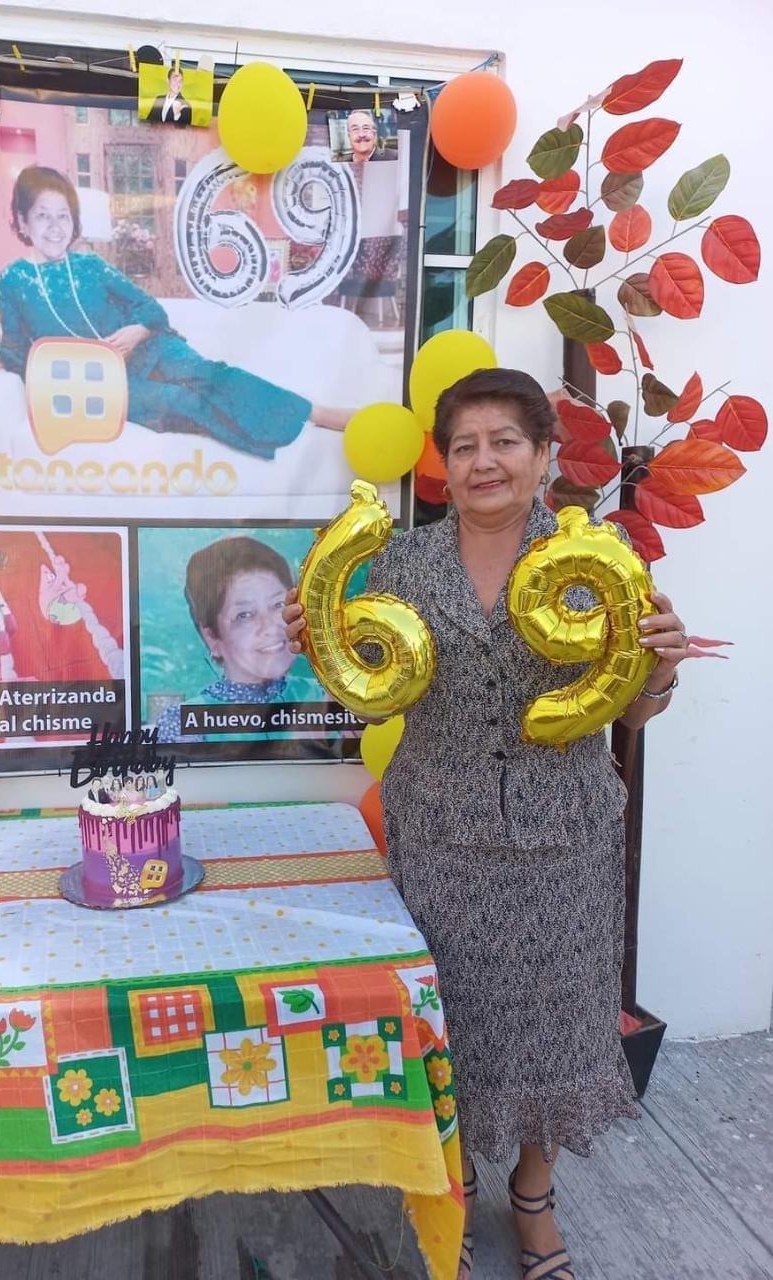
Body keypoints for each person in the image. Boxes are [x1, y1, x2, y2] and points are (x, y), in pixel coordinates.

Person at [282, 368, 691, 1280]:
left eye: (505, 440)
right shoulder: (396, 566)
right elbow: (368, 695)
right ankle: (454, 1192)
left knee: (556, 1025)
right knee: (451, 1025)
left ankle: (534, 1198)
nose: (483, 461)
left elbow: (633, 713)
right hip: (439, 833)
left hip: (565, 835)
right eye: (463, 445)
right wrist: (319, 639)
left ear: (544, 456)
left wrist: (657, 669)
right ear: (443, 467)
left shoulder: (599, 562)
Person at [0, 167, 350, 458]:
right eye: (42, 216)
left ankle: (317, 413)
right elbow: (19, 347)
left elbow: (151, 310)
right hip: (103, 386)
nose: (55, 227)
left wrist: (137, 331)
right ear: (22, 220)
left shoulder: (91, 265)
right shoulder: (12, 280)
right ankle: (282, 431)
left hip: (153, 348)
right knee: (181, 401)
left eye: (63, 216)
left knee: (212, 376)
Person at [155, 537, 322, 744]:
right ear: (212, 637)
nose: (270, 627)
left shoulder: (328, 698)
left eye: (278, 604)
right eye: (244, 615)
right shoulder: (183, 724)